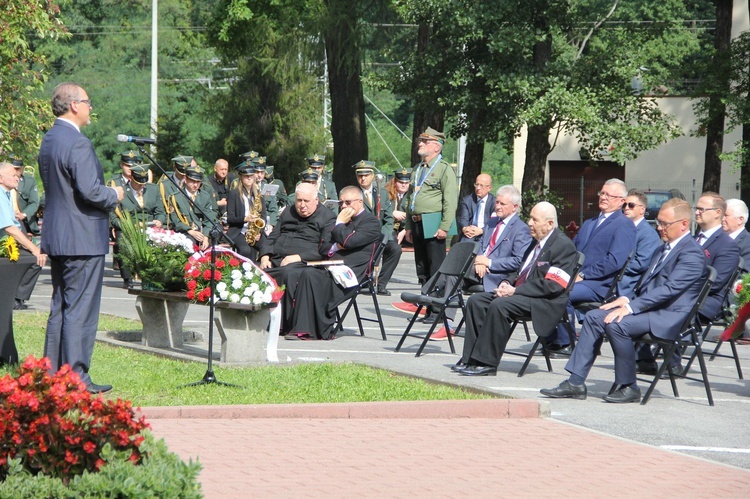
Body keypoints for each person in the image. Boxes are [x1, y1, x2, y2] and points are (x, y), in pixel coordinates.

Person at [540, 198, 707, 403]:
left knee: (617, 325)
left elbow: (670, 290)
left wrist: (630, 307)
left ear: (683, 224)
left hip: (668, 315)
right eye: (658, 222)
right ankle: (575, 382)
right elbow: (647, 286)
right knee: (594, 316)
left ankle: (629, 385)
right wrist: (624, 299)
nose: (660, 228)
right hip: (649, 309)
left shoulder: (691, 253)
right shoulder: (663, 248)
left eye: (665, 224)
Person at [38, 82, 124, 394]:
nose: (90, 107)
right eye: (87, 101)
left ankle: (52, 373)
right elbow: (89, 191)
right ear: (74, 105)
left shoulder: (50, 139)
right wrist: (114, 193)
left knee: (61, 305)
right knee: (80, 309)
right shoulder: (77, 143)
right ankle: (75, 377)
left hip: (59, 236)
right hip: (82, 237)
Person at [453, 202, 578, 376]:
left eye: (535, 220)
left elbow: (553, 285)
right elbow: (520, 270)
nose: (529, 223)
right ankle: (471, 358)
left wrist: (515, 291)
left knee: (500, 306)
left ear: (550, 224)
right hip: (521, 293)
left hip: (543, 300)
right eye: (530, 218)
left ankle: (486, 362)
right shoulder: (536, 242)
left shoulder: (563, 246)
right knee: (476, 301)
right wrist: (506, 282)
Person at [550, 178, 635, 357]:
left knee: (562, 292)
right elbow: (574, 252)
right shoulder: (590, 222)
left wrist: (584, 274)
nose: (603, 197)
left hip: (600, 284)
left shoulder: (624, 224)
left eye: (609, 195)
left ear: (621, 201)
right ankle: (551, 338)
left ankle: (567, 343)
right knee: (549, 286)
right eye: (602, 193)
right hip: (579, 278)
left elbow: (614, 261)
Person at [287, 186, 381, 340]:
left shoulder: (370, 223)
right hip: (332, 265)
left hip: (353, 271)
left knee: (312, 276)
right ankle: (300, 326)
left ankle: (315, 329)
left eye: (348, 202)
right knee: (304, 273)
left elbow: (348, 241)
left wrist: (339, 226)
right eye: (341, 203)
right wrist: (336, 245)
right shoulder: (342, 221)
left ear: (359, 202)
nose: (344, 206)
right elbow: (323, 246)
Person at [259, 182, 337, 333]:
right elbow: (272, 237)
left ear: (316, 200)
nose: (302, 205)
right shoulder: (288, 211)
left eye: (306, 201)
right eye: (298, 200)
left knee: (287, 272)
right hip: (276, 257)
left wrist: (298, 257)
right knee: (256, 269)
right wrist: (265, 256)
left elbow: (325, 248)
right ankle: (260, 318)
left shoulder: (327, 217)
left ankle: (283, 323)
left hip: (305, 262)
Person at [404, 127, 458, 285]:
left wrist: (445, 226)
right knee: (421, 266)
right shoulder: (417, 169)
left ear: (437, 146)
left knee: (435, 266)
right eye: (420, 141)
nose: (420, 144)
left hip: (433, 223)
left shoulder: (444, 169)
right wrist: (408, 226)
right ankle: (424, 302)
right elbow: (410, 200)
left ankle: (435, 306)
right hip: (417, 222)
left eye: (425, 141)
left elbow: (450, 200)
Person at [110, 164, 164, 288]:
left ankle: (153, 276)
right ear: (131, 179)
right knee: (122, 239)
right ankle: (127, 278)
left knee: (164, 238)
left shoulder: (153, 189)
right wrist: (128, 225)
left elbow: (160, 212)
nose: (141, 186)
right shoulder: (122, 191)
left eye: (143, 183)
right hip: (130, 226)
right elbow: (113, 217)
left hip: (150, 225)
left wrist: (159, 221)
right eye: (138, 182)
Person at [353, 160, 400, 296]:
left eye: (366, 175)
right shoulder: (353, 194)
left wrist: (384, 236)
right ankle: (365, 282)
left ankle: (381, 284)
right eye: (360, 175)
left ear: (373, 176)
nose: (363, 178)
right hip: (362, 237)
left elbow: (388, 218)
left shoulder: (381, 193)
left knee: (395, 250)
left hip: (380, 235)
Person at [693, 192, 739, 322]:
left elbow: (714, 282)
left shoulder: (727, 245)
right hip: (684, 296)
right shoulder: (693, 239)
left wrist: (679, 287)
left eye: (701, 209)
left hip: (704, 301)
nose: (697, 212)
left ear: (718, 213)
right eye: (696, 209)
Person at [619, 190, 661, 296]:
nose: (626, 208)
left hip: (625, 284)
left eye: (631, 205)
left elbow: (639, 264)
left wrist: (614, 266)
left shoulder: (648, 234)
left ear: (642, 209)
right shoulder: (621, 228)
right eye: (624, 204)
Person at [168, 164, 218, 251]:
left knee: (212, 247)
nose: (195, 185)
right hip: (185, 232)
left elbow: (209, 219)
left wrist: (206, 236)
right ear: (186, 180)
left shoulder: (205, 196)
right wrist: (190, 231)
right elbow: (175, 221)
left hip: (202, 232)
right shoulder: (176, 197)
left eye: (198, 182)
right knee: (190, 245)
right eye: (192, 181)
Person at [226, 162, 267, 261]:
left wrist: (259, 232)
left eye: (251, 176)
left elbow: (263, 216)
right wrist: (245, 219)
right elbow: (230, 218)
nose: (249, 178)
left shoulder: (258, 195)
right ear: (240, 177)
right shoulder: (233, 194)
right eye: (246, 176)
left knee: (268, 247)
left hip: (254, 231)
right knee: (245, 250)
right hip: (239, 231)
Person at [7, 154, 40, 236]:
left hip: (22, 220)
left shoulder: (29, 182)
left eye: (17, 169)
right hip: (7, 218)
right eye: (13, 169)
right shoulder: (4, 180)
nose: (15, 171)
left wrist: (23, 214)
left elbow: (34, 203)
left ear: (22, 169)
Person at [458, 173, 495, 243]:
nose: (478, 188)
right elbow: (463, 219)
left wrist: (481, 230)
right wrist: (465, 228)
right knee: (462, 249)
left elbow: (494, 223)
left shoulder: (494, 203)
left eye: (481, 185)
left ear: (489, 188)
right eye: (476, 185)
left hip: (486, 234)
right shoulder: (467, 200)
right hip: (469, 234)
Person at [386, 168, 411, 247]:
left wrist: (405, 230)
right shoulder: (386, 193)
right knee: (392, 242)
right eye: (401, 182)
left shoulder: (413, 195)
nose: (404, 185)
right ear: (394, 182)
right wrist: (392, 212)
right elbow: (378, 211)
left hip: (407, 228)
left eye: (407, 182)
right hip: (390, 228)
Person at [723, 198, 750, 271]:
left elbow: (744, 275)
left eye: (726, 215)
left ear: (740, 220)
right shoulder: (719, 238)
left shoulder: (747, 243)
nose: (722, 219)